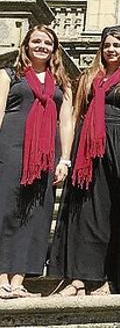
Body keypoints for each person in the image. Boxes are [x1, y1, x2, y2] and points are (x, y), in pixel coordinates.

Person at [49, 29, 120, 296]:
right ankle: (77, 277)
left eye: (117, 46)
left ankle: (106, 277)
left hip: (118, 146)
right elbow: (75, 114)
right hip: (87, 146)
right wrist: (67, 155)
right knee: (83, 211)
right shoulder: (88, 78)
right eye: (107, 45)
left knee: (113, 212)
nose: (111, 50)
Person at [0, 26, 74, 299]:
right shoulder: (9, 75)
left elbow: (66, 122)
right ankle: (0, 280)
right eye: (37, 41)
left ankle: (18, 280)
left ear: (54, 49)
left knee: (35, 214)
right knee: (5, 210)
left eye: (48, 43)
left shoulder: (62, 83)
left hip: (45, 153)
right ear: (26, 45)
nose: (42, 46)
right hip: (11, 148)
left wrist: (64, 159)